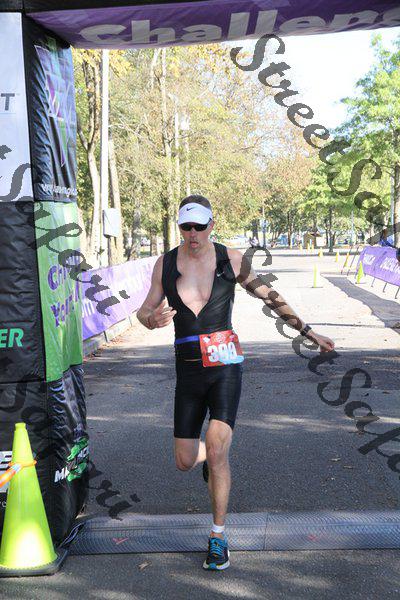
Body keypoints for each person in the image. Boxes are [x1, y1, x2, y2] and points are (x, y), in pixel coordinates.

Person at [137, 194, 335, 571]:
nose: (192, 234)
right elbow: (145, 309)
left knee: (217, 447)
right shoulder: (166, 263)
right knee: (185, 460)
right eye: (186, 227)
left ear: (212, 225)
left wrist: (309, 332)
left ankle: (218, 536)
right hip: (188, 369)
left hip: (225, 365)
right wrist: (150, 319)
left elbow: (271, 297)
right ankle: (209, 459)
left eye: (199, 226)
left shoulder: (231, 259)